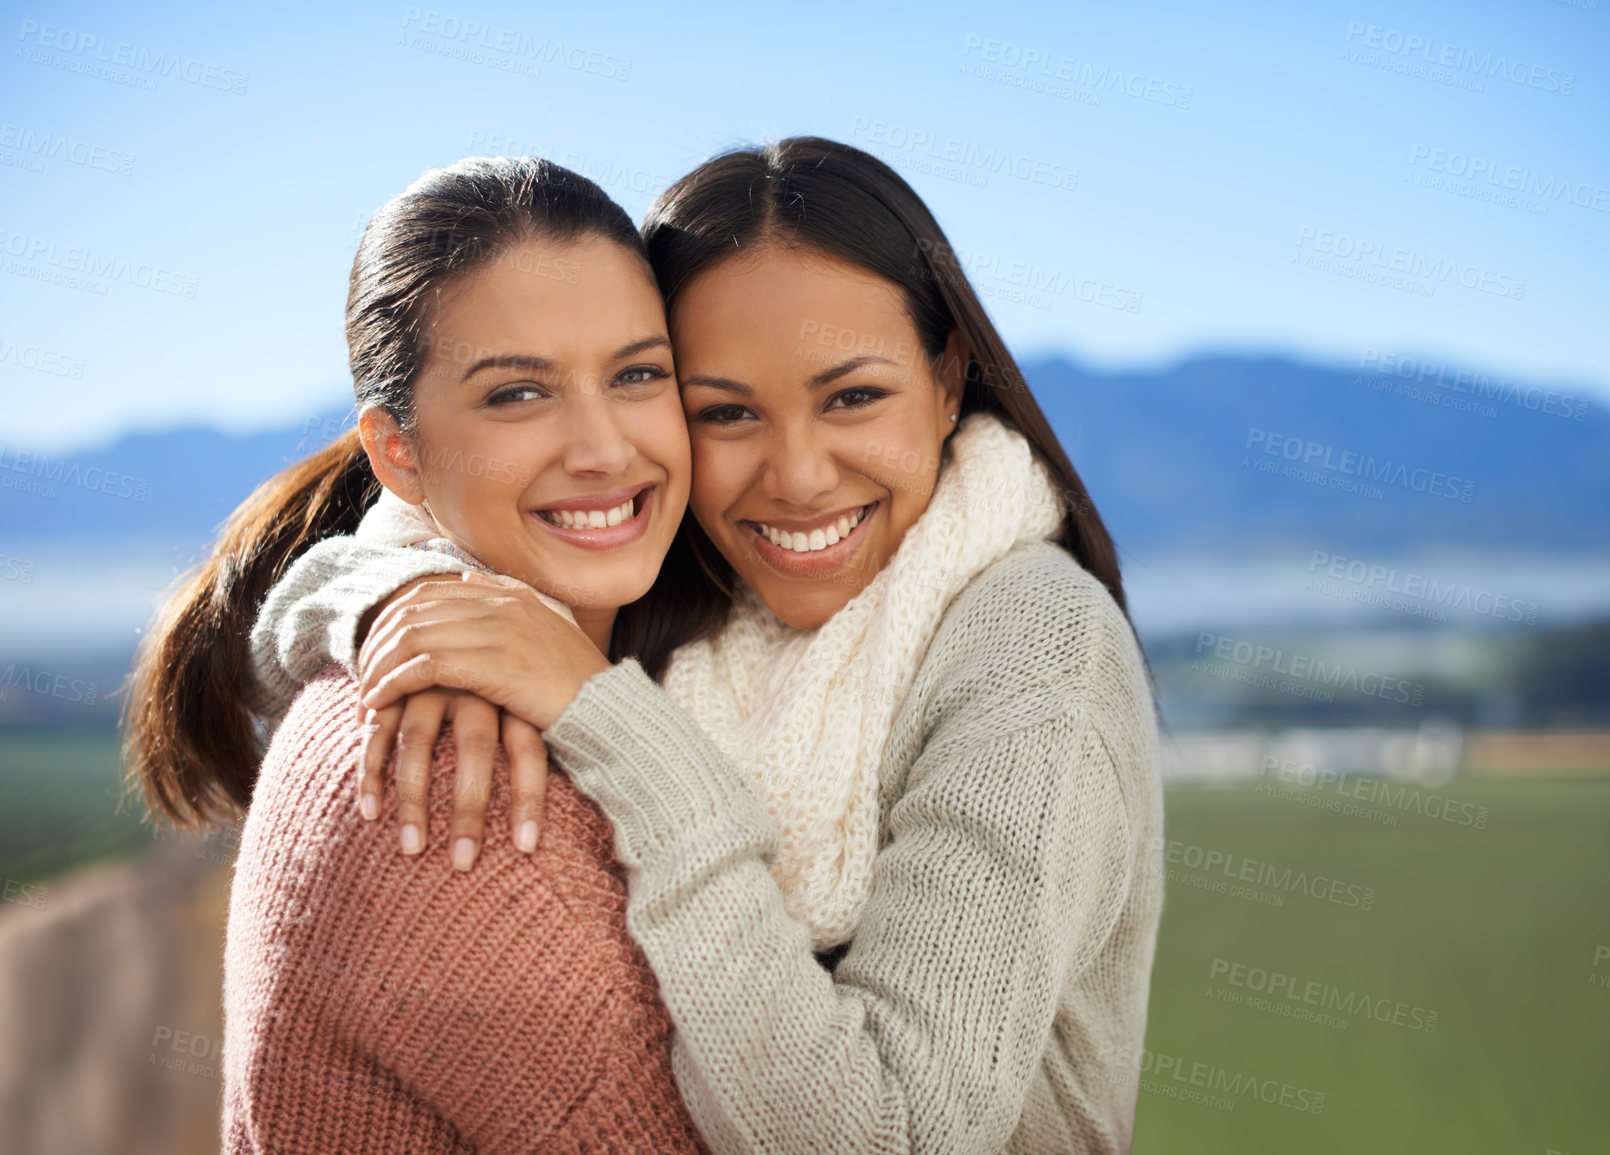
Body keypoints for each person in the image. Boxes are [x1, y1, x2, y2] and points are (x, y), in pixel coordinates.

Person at [252, 137, 1165, 1153]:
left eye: (853, 396)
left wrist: (608, 722)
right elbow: (386, 537)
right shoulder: (695, 575)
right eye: (724, 411)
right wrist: (405, 598)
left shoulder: (1034, 647)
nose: (799, 477)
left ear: (949, 378)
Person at [125, 156, 709, 1153]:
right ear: (399, 453)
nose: (605, 448)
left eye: (637, 373)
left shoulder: (574, 670)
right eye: (518, 395)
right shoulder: (445, 782)